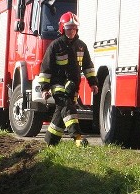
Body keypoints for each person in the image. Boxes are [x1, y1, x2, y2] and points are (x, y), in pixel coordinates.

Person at [36, 12, 98, 146]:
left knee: (60, 113)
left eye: (74, 28)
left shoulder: (81, 46)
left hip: (73, 87)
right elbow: (46, 69)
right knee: (68, 108)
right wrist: (45, 88)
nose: (71, 31)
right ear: (62, 28)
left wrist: (93, 83)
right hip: (58, 85)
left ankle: (49, 143)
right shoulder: (55, 46)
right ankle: (77, 138)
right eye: (69, 28)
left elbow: (88, 66)